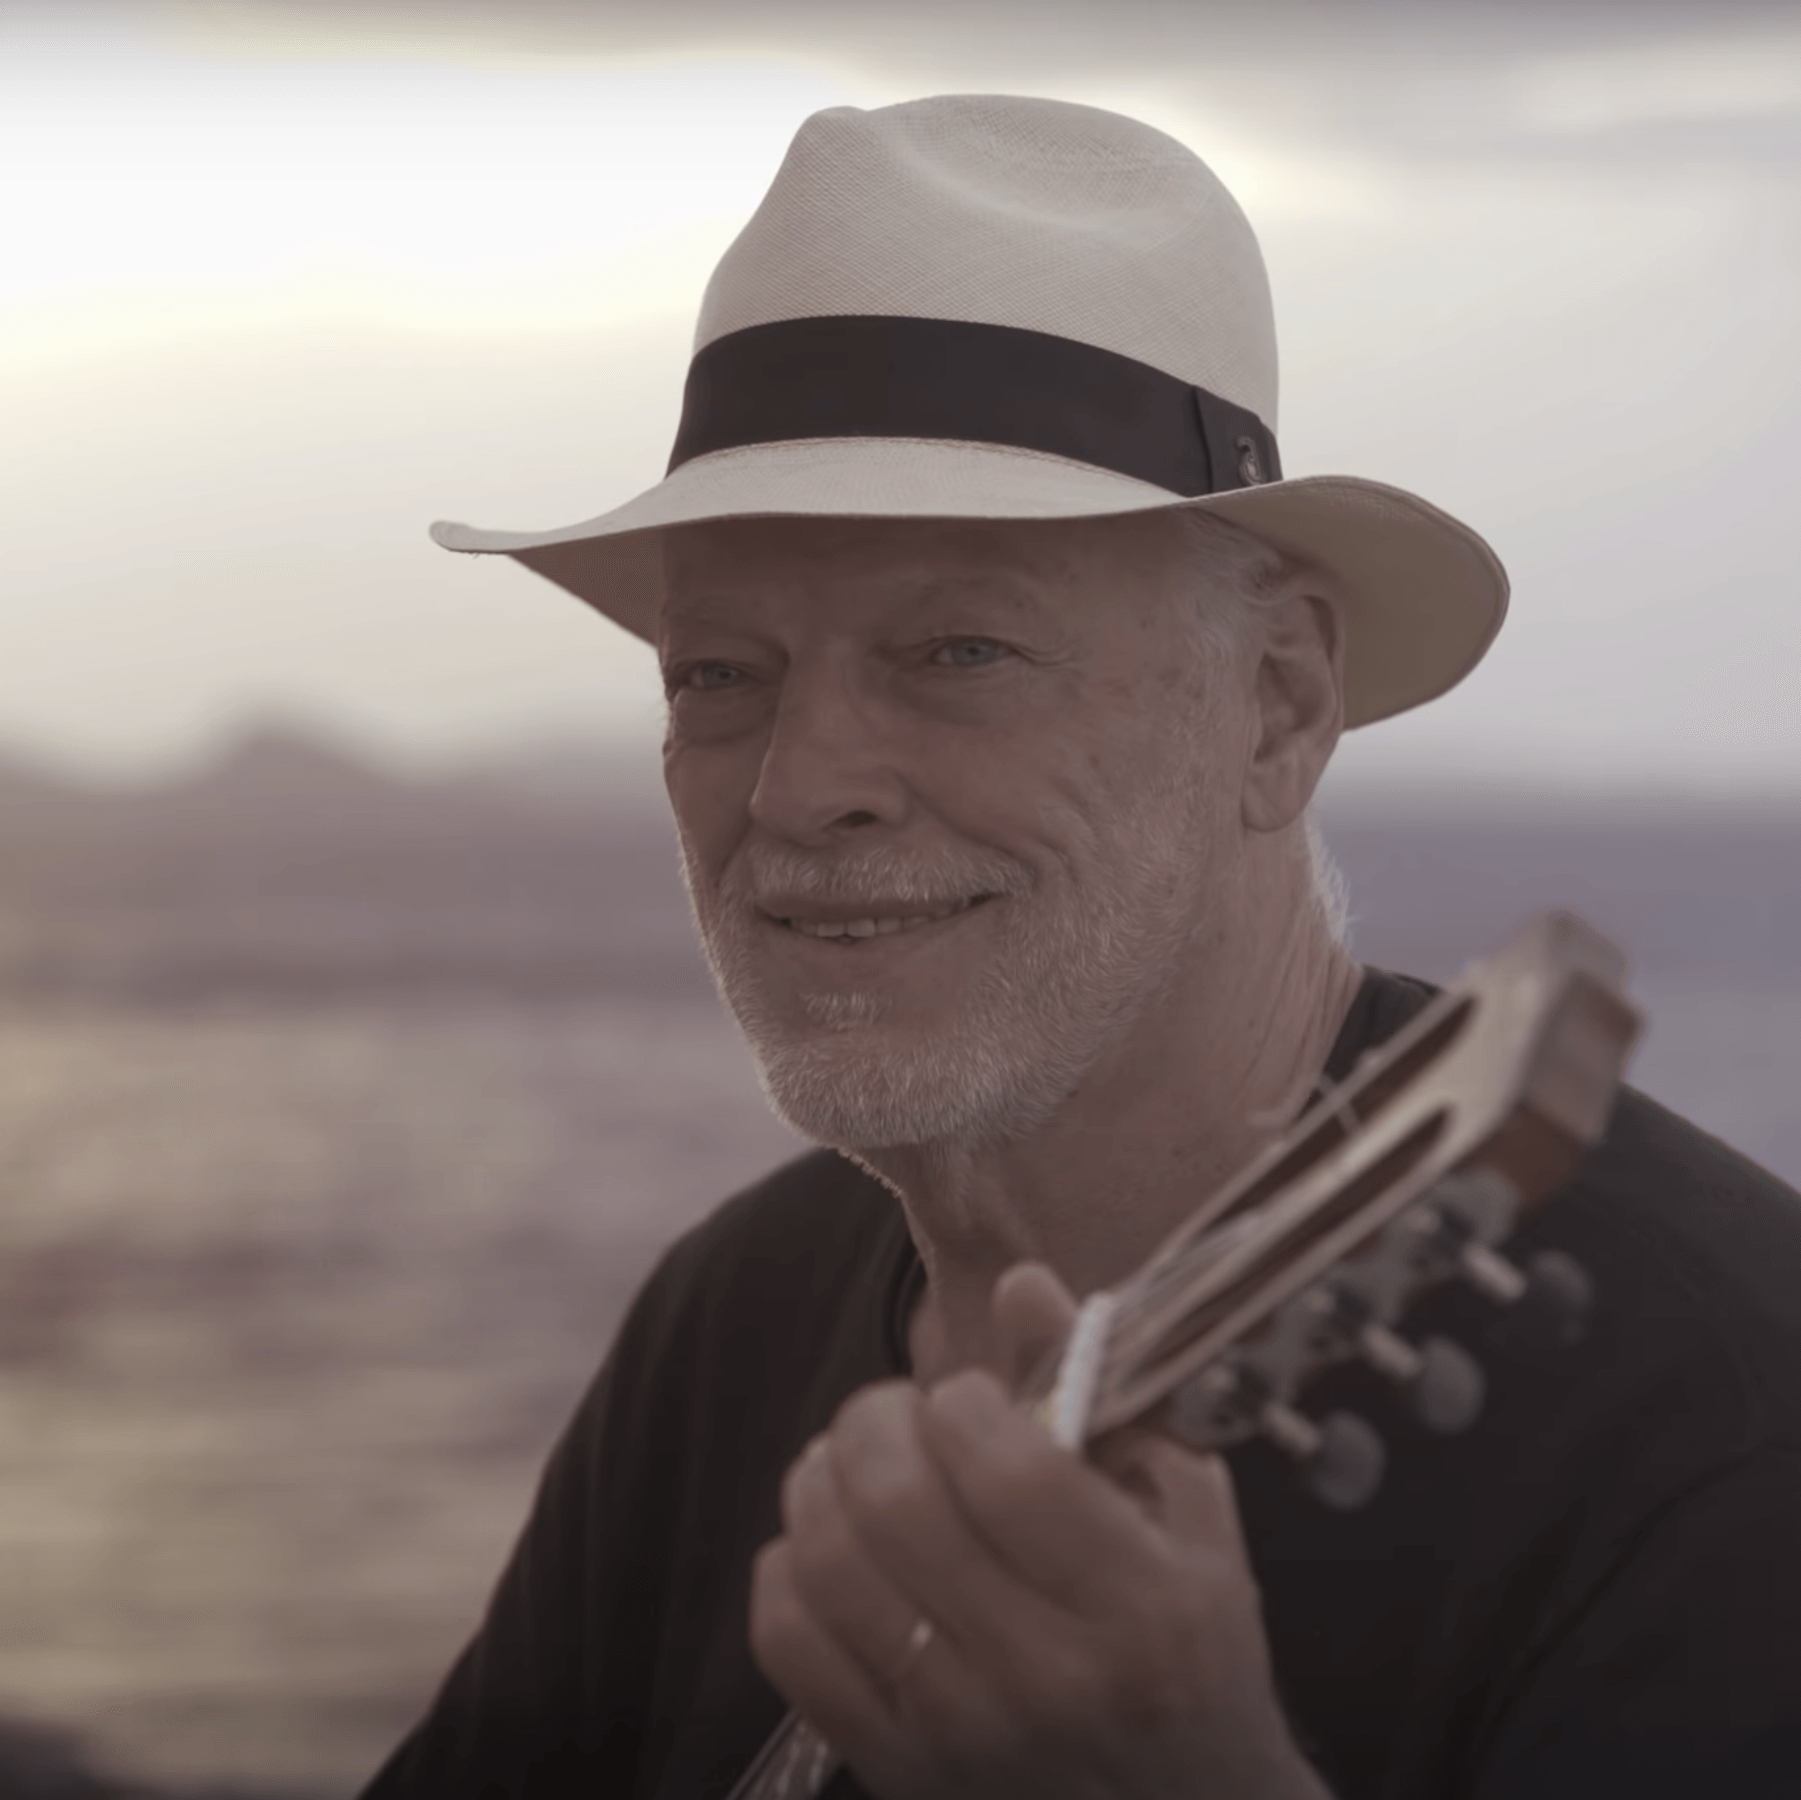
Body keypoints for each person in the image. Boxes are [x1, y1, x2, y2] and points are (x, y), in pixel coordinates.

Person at [359, 96, 1801, 1799]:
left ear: (1279, 705)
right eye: (717, 674)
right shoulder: (733, 1313)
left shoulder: (1727, 1417)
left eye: (959, 650)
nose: (800, 786)